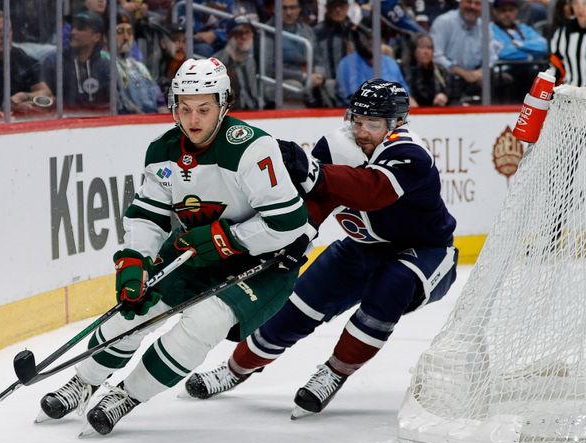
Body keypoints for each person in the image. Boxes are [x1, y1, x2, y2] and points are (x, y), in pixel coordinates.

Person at [38, 57, 312, 435]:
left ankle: (126, 396)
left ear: (223, 105)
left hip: (267, 260)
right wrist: (136, 259)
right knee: (135, 309)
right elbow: (148, 215)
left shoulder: (251, 148)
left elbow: (288, 224)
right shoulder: (163, 149)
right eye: (184, 108)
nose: (193, 119)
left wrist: (227, 239)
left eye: (204, 109)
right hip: (196, 251)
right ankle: (83, 381)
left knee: (203, 323)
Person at [184, 79, 458, 420]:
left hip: (426, 252)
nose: (362, 131)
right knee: (291, 310)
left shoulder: (411, 152)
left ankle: (335, 371)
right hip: (361, 248)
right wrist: (295, 239)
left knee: (392, 286)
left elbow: (371, 191)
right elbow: (318, 198)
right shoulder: (337, 143)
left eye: (372, 124)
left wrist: (313, 172)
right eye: (357, 120)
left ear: (396, 124)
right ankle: (234, 370)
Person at [0, 10, 53, 116]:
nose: (4, 36)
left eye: (7, 30)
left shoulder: (21, 58)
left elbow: (46, 93)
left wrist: (25, 96)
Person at [42, 11, 111, 112]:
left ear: (96, 37)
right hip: (63, 125)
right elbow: (43, 99)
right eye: (73, 27)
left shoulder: (105, 67)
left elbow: (114, 105)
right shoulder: (53, 63)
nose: (73, 32)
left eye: (80, 28)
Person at [490, 0, 548, 102]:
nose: (507, 14)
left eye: (511, 10)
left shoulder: (524, 28)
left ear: (516, 12)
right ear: (495, 12)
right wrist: (529, 55)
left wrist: (520, 44)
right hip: (505, 69)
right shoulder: (490, 29)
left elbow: (543, 45)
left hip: (529, 70)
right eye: (503, 11)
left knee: (542, 75)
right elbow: (503, 51)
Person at [430, 0, 485, 102]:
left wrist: (481, 72)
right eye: (469, 2)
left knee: (502, 79)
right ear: (460, 3)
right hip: (449, 76)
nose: (472, 6)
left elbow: (492, 56)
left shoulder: (485, 26)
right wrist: (464, 73)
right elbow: (436, 56)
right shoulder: (444, 22)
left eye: (477, 4)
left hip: (476, 75)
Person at [114, 12, 164, 114]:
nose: (126, 37)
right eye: (120, 32)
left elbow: (159, 99)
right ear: (106, 37)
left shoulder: (139, 66)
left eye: (129, 32)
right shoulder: (108, 65)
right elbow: (122, 103)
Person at [550, 0, 586, 87]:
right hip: (570, 95)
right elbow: (555, 66)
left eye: (585, 3)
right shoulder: (562, 33)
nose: (580, 9)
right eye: (576, 3)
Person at [213, 15, 260, 110]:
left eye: (247, 32)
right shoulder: (216, 63)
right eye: (238, 33)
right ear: (228, 36)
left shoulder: (251, 61)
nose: (244, 36)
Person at [404, 32, 449, 106]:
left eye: (429, 48)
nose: (426, 52)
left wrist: (444, 95)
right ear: (413, 50)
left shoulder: (440, 70)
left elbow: (450, 89)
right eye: (421, 47)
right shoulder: (406, 71)